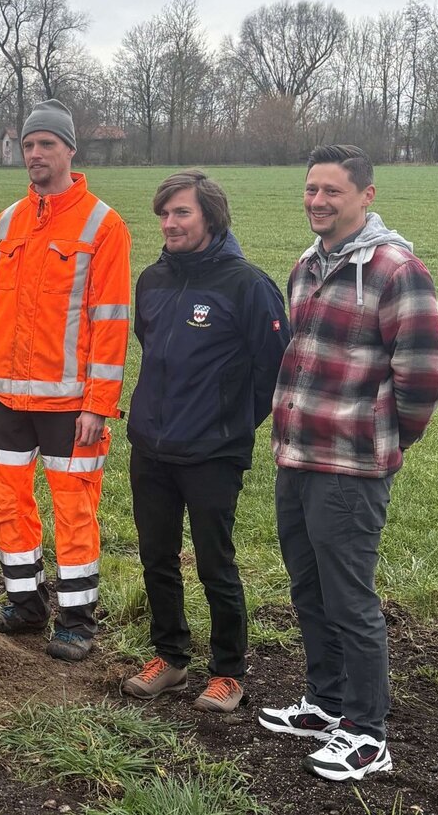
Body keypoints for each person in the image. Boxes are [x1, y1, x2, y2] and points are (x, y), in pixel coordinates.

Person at [258, 145, 438, 781]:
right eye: (311, 189)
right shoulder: (306, 266)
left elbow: (421, 380)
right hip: (296, 457)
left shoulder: (398, 271)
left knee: (349, 598)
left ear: (366, 196)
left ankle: (368, 733)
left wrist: (382, 443)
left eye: (331, 191)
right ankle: (326, 702)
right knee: (308, 589)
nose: (317, 201)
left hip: (350, 469)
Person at [0, 99, 132, 662]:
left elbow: (111, 322)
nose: (35, 154)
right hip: (7, 396)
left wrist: (98, 404)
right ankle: (25, 604)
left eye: (46, 144)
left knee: (74, 507)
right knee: (8, 502)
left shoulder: (103, 225)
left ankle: (77, 620)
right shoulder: (5, 223)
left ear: (69, 150)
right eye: (28, 145)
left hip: (71, 405)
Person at [121, 171, 290, 712]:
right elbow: (151, 345)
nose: (169, 223)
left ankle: (228, 672)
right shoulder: (152, 280)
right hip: (150, 445)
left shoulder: (248, 285)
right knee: (156, 557)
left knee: (216, 562)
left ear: (211, 217)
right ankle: (169, 658)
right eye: (164, 214)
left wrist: (230, 426)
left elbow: (273, 371)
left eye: (182, 213)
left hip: (213, 452)